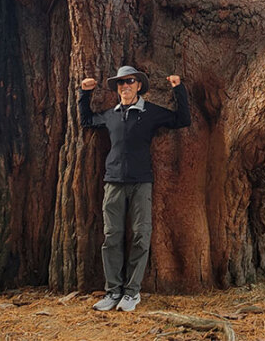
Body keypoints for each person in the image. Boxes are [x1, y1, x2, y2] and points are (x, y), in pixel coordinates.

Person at [79, 65, 191, 312]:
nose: (125, 86)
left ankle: (131, 293)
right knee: (112, 237)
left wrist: (178, 89)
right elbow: (86, 120)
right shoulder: (110, 114)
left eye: (130, 81)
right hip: (113, 183)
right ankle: (113, 291)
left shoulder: (150, 112)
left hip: (141, 183)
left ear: (139, 85)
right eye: (121, 83)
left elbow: (182, 119)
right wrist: (84, 94)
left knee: (141, 235)